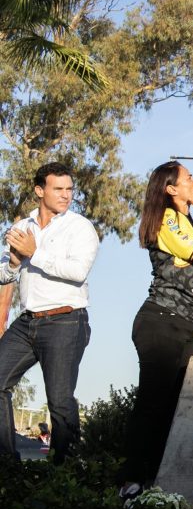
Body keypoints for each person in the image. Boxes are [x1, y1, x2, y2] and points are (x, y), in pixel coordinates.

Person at [119, 161, 193, 497]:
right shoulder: (166, 219)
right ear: (171, 188)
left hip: (188, 325)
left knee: (172, 408)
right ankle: (131, 482)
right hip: (161, 320)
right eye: (188, 178)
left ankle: (154, 484)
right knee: (152, 403)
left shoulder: (191, 221)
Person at [0, 162, 99, 464]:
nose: (66, 195)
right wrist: (15, 262)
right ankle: (7, 466)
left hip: (66, 320)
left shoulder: (80, 227)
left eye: (69, 189)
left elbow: (78, 271)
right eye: (59, 188)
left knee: (59, 401)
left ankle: (64, 475)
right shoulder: (22, 227)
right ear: (40, 190)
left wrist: (34, 253)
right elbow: (4, 275)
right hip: (28, 321)